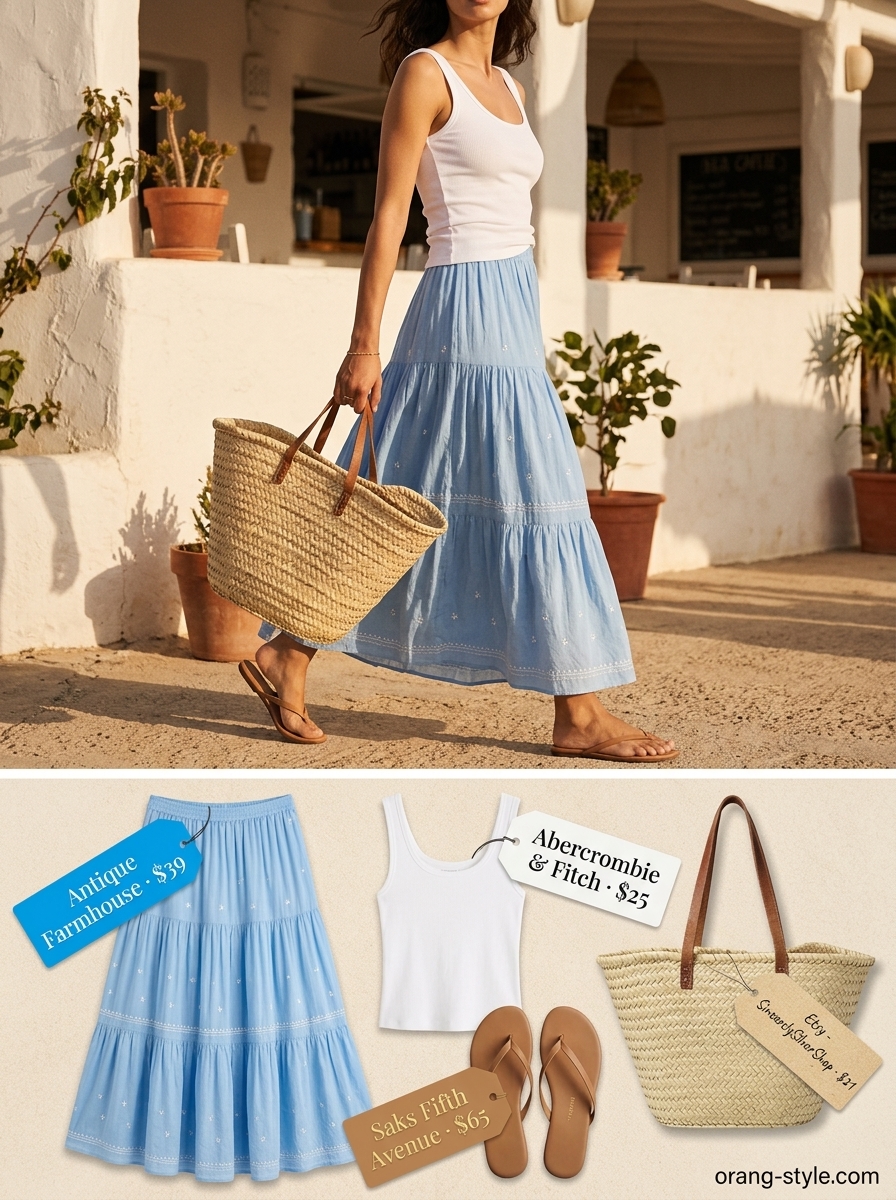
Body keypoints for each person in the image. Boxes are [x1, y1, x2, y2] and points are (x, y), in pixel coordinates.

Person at [241, 0, 677, 762]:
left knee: (413, 485)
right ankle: (578, 712)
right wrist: (363, 344)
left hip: (511, 304)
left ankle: (289, 652)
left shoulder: (509, 86)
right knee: (531, 488)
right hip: (459, 305)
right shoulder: (424, 74)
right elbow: (389, 217)